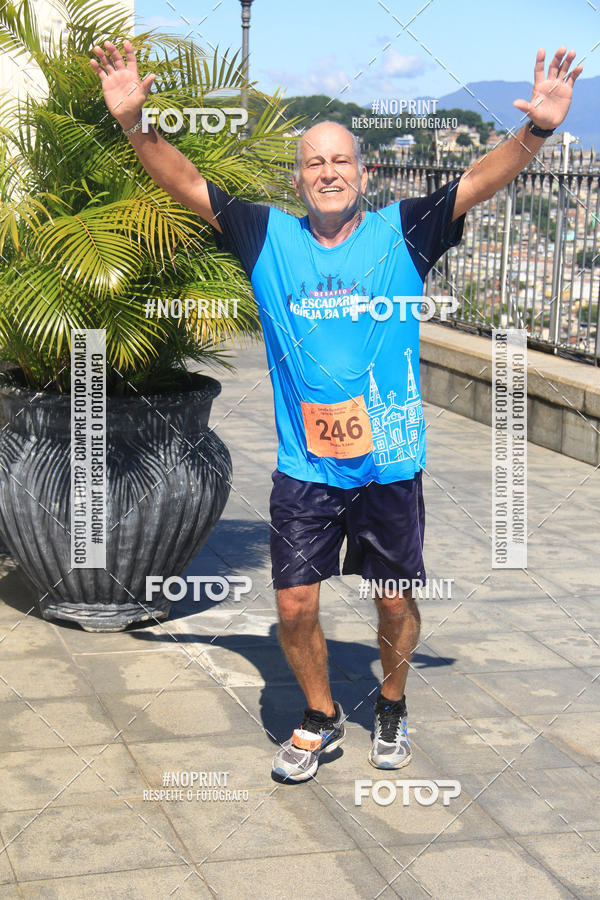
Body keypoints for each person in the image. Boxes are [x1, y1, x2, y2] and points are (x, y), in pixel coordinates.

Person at [91, 41, 581, 782]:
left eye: (341, 161)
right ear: (298, 179)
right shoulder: (267, 236)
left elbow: (480, 179)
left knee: (394, 606)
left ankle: (391, 702)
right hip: (307, 468)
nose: (327, 172)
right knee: (293, 607)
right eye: (314, 163)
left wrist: (538, 129)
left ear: (363, 173)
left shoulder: (404, 230)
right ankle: (320, 716)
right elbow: (186, 180)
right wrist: (135, 122)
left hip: (389, 463)